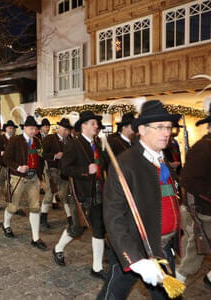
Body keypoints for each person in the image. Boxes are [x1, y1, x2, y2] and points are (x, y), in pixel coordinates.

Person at [98, 100, 181, 299]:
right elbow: (113, 216)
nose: (166, 132)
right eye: (159, 127)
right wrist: (136, 261)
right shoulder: (125, 164)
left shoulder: (161, 159)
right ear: (142, 129)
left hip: (163, 246)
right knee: (113, 295)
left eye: (168, 127)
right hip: (135, 245)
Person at [53, 111, 107, 281]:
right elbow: (64, 170)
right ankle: (58, 249)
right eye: (92, 123)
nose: (96, 126)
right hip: (79, 193)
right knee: (77, 228)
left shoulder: (97, 144)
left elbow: (103, 166)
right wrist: (85, 171)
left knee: (99, 228)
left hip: (98, 192)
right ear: (83, 125)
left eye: (96, 124)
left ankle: (97, 267)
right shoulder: (74, 144)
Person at [175, 110, 211, 288]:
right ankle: (172, 288)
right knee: (193, 256)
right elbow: (188, 181)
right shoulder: (202, 148)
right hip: (204, 212)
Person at [2, 116, 47, 250]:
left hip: (33, 179)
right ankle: (6, 224)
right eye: (31, 128)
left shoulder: (38, 142)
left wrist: (40, 175)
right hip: (18, 178)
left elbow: (40, 157)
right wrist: (18, 167)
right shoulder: (16, 140)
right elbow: (6, 158)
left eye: (35, 129)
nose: (34, 131)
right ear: (25, 128)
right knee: (13, 206)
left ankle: (35, 238)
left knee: (35, 207)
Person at [40, 118, 73, 228]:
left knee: (65, 195)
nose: (66, 132)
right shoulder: (50, 138)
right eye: (64, 129)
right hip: (51, 170)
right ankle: (43, 217)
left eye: (67, 130)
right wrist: (54, 156)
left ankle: (70, 218)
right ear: (59, 128)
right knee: (50, 193)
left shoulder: (70, 140)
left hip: (65, 171)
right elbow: (42, 154)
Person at [0, 120, 18, 211]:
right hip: (2, 165)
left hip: (12, 166)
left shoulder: (16, 139)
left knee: (13, 185)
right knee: (0, 185)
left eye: (13, 128)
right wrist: (0, 152)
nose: (11, 130)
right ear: (5, 129)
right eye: (9, 128)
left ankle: (12, 204)